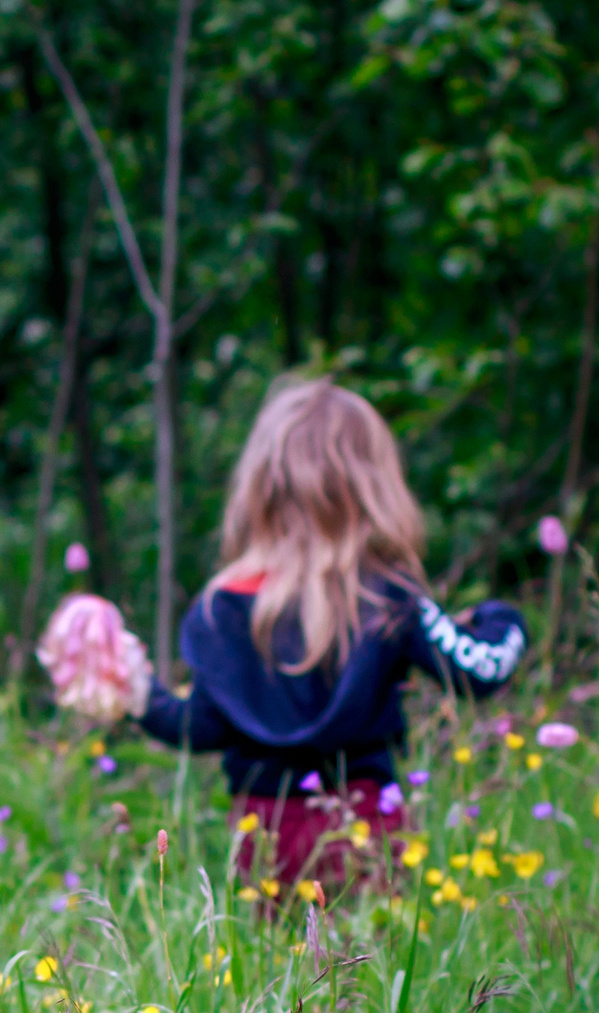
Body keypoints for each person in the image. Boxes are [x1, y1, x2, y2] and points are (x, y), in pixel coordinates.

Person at [47, 378, 526, 894]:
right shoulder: (390, 598)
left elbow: (200, 729)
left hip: (262, 842)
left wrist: (140, 692)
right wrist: (506, 620)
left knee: (276, 974)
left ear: (261, 487)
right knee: (370, 968)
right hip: (367, 828)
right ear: (372, 486)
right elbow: (480, 669)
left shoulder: (222, 607)